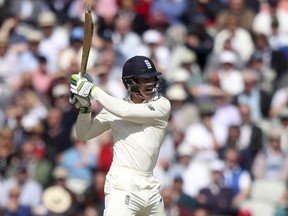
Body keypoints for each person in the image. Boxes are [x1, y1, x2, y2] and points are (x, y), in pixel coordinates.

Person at [69, 55, 171, 215]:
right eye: (144, 80)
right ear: (129, 83)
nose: (150, 84)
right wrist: (85, 108)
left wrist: (93, 91)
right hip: (123, 184)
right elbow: (83, 135)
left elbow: (126, 111)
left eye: (152, 79)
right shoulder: (114, 109)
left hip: (151, 186)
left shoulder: (162, 105)